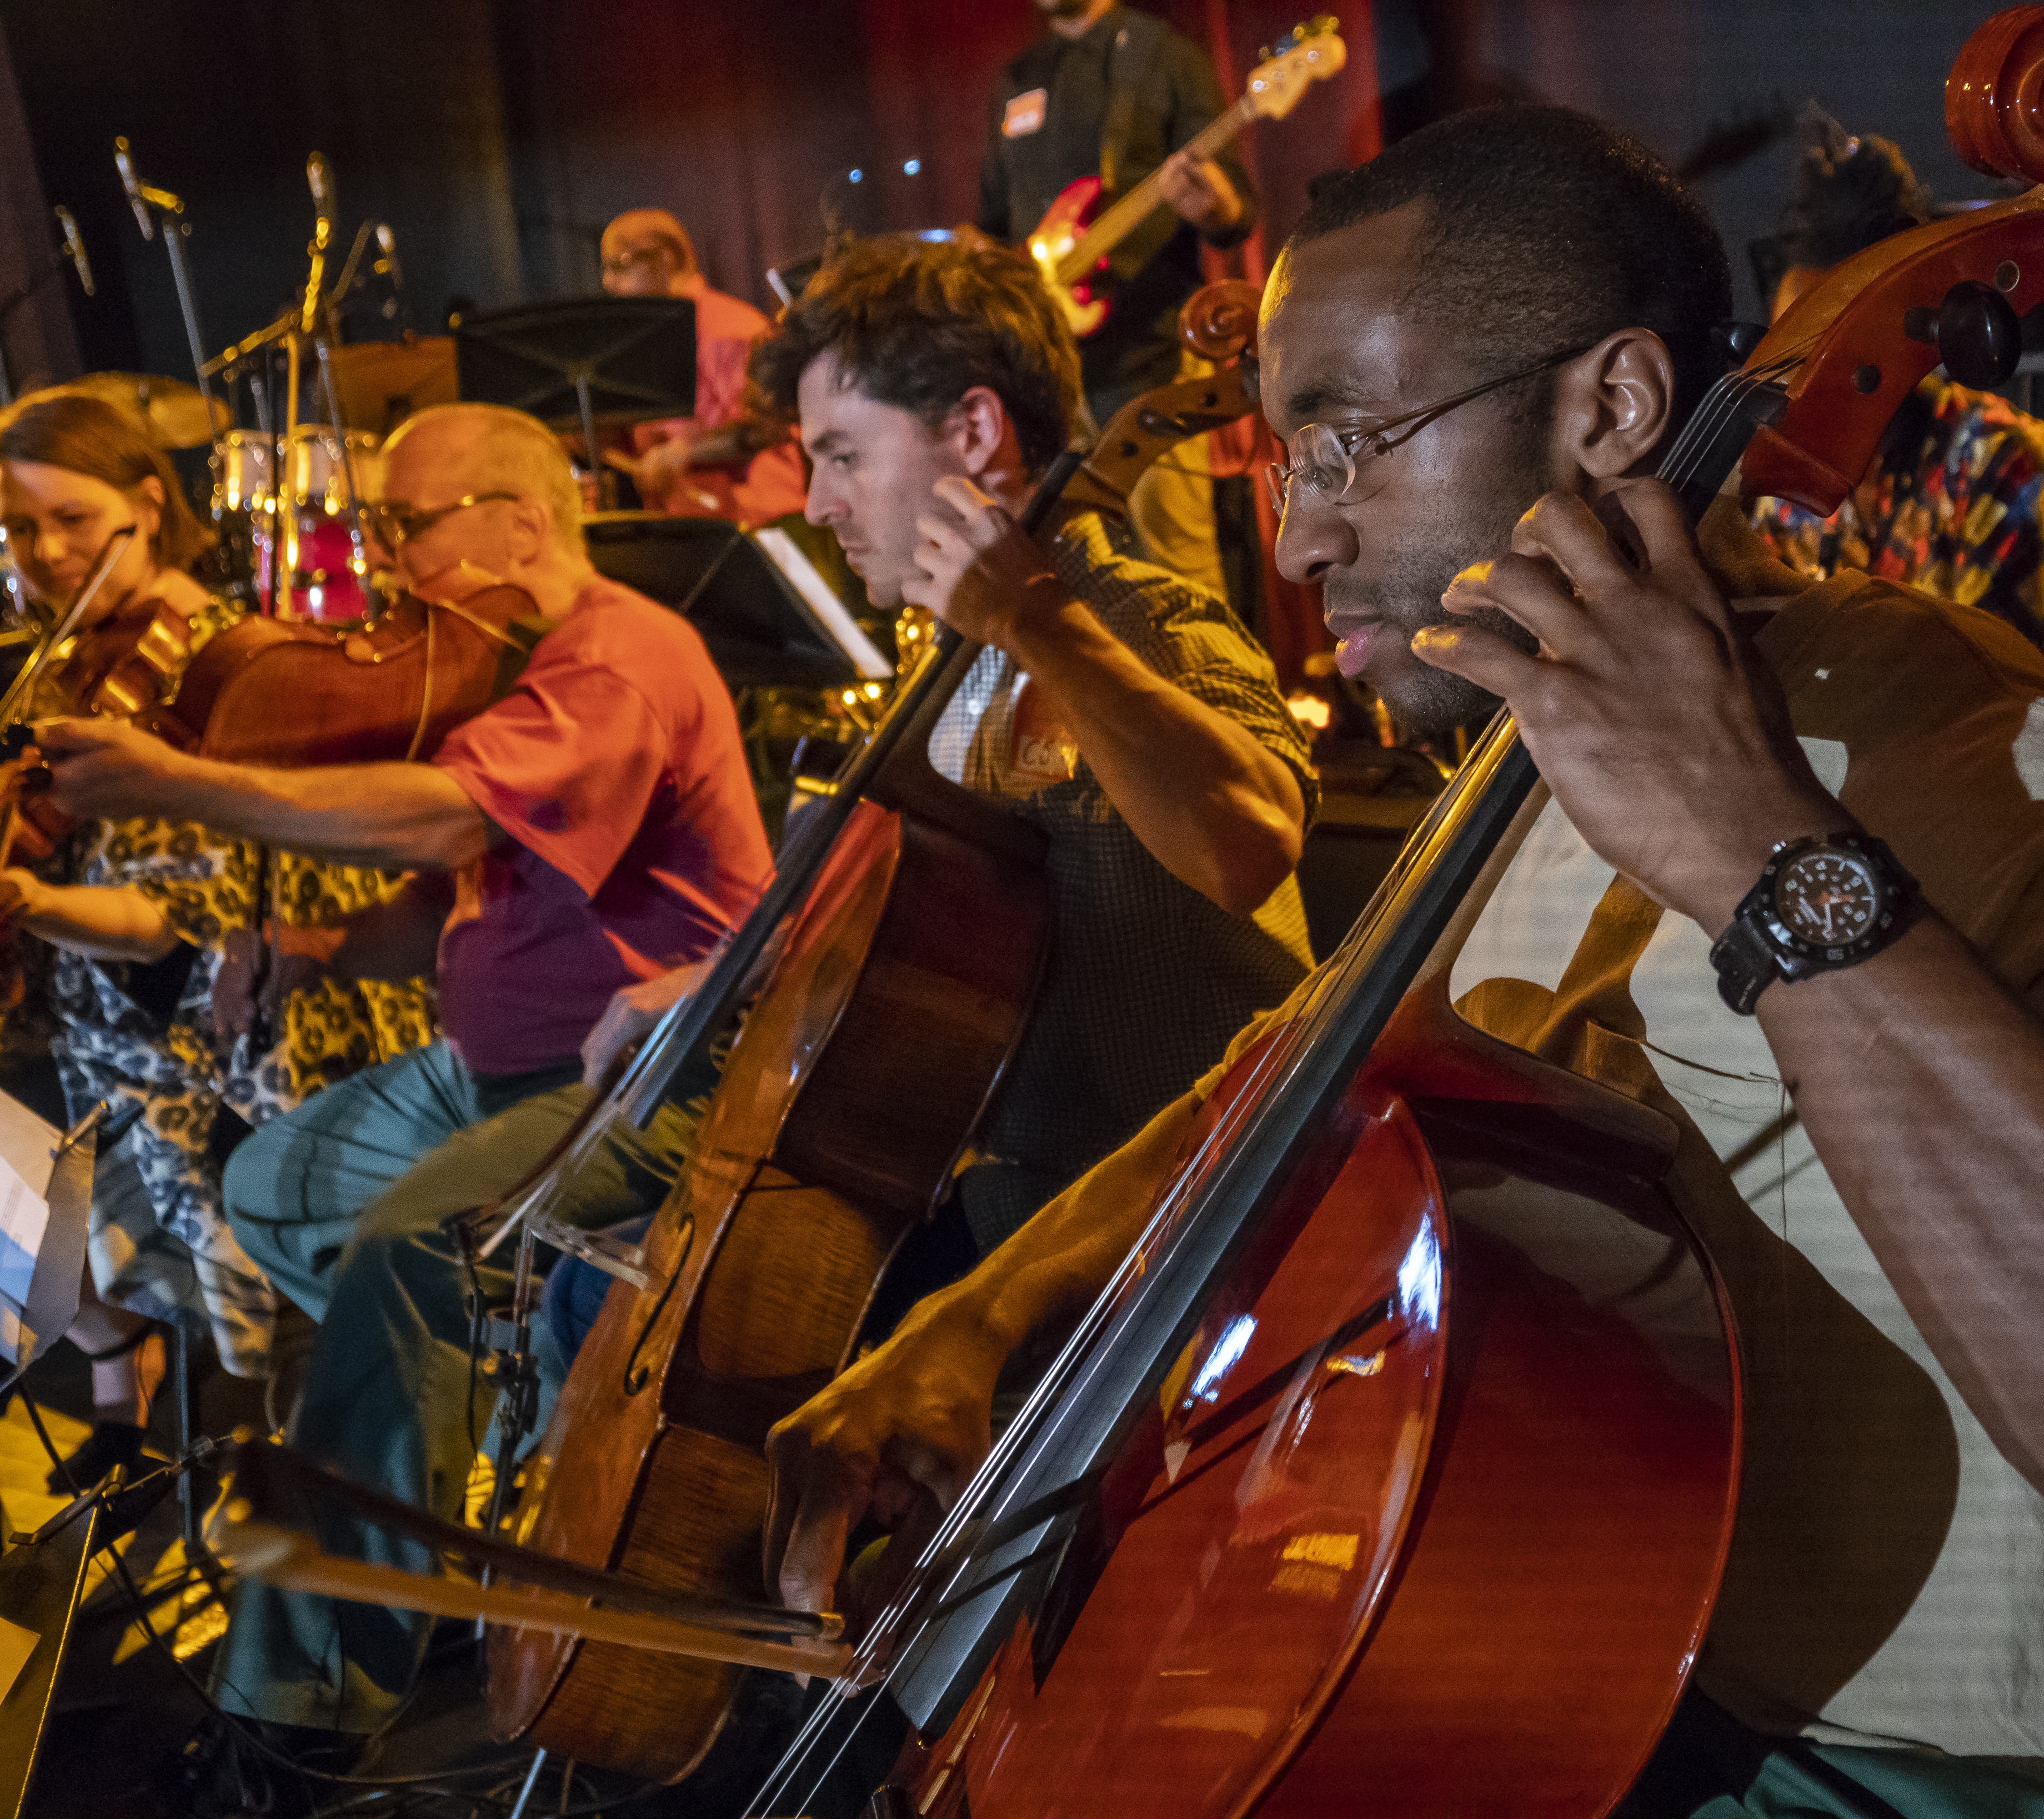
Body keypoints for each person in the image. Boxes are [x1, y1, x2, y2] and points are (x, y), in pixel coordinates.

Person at [764, 106, 2044, 1819]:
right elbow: (1304, 1072)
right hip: (1580, 1702)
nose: (1296, 538)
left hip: (1923, 1775)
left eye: (1350, 441)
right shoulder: (1522, 783)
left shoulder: (2005, 777)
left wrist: (1763, 857)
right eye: (1289, 461)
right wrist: (996, 1314)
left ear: (1613, 411)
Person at [34, 400, 774, 1794]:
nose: (385, 569)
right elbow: (455, 890)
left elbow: (449, 820)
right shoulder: (506, 667)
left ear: (519, 518)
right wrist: (312, 950)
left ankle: (297, 1716)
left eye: (408, 527)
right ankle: (445, 1459)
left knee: (406, 1250)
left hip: (636, 1080)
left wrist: (188, 783)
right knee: (274, 1186)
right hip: (487, 1071)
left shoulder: (615, 656)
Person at [737, 229, 1314, 1264]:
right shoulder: (949, 661)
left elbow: (1251, 842)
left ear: (971, 429)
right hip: (1012, 1198)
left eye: (842, 455)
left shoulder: (1147, 621)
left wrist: (1041, 624)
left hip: (1185, 1221)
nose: (819, 504)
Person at [0, 394, 433, 1492]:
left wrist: (21, 899)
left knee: (269, 1322)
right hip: (112, 1039)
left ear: (149, 504)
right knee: (117, 1258)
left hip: (222, 1045)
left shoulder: (219, 664)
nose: (46, 553)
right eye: (19, 529)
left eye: (71, 521)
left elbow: (170, 923)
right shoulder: (66, 665)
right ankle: (169, 1421)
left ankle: (303, 1510)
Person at [1753, 114, 2044, 725]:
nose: (1801, 385)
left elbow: (1978, 699)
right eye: (1790, 351)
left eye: (1827, 356)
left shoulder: (2001, 460)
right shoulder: (1792, 491)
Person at [976, 0, 1255, 602]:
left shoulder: (1164, 56)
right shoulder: (1019, 77)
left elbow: (1235, 211)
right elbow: (994, 222)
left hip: (1150, 353)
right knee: (1075, 567)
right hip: (1048, 369)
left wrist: (1216, 206)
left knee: (1176, 562)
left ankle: (1217, 694)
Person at [598, 206, 809, 525]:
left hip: (758, 521)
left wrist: (683, 451)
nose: (608, 282)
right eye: (606, 268)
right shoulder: (656, 338)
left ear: (665, 260)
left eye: (620, 266)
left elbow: (769, 427)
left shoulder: (728, 329)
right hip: (697, 523)